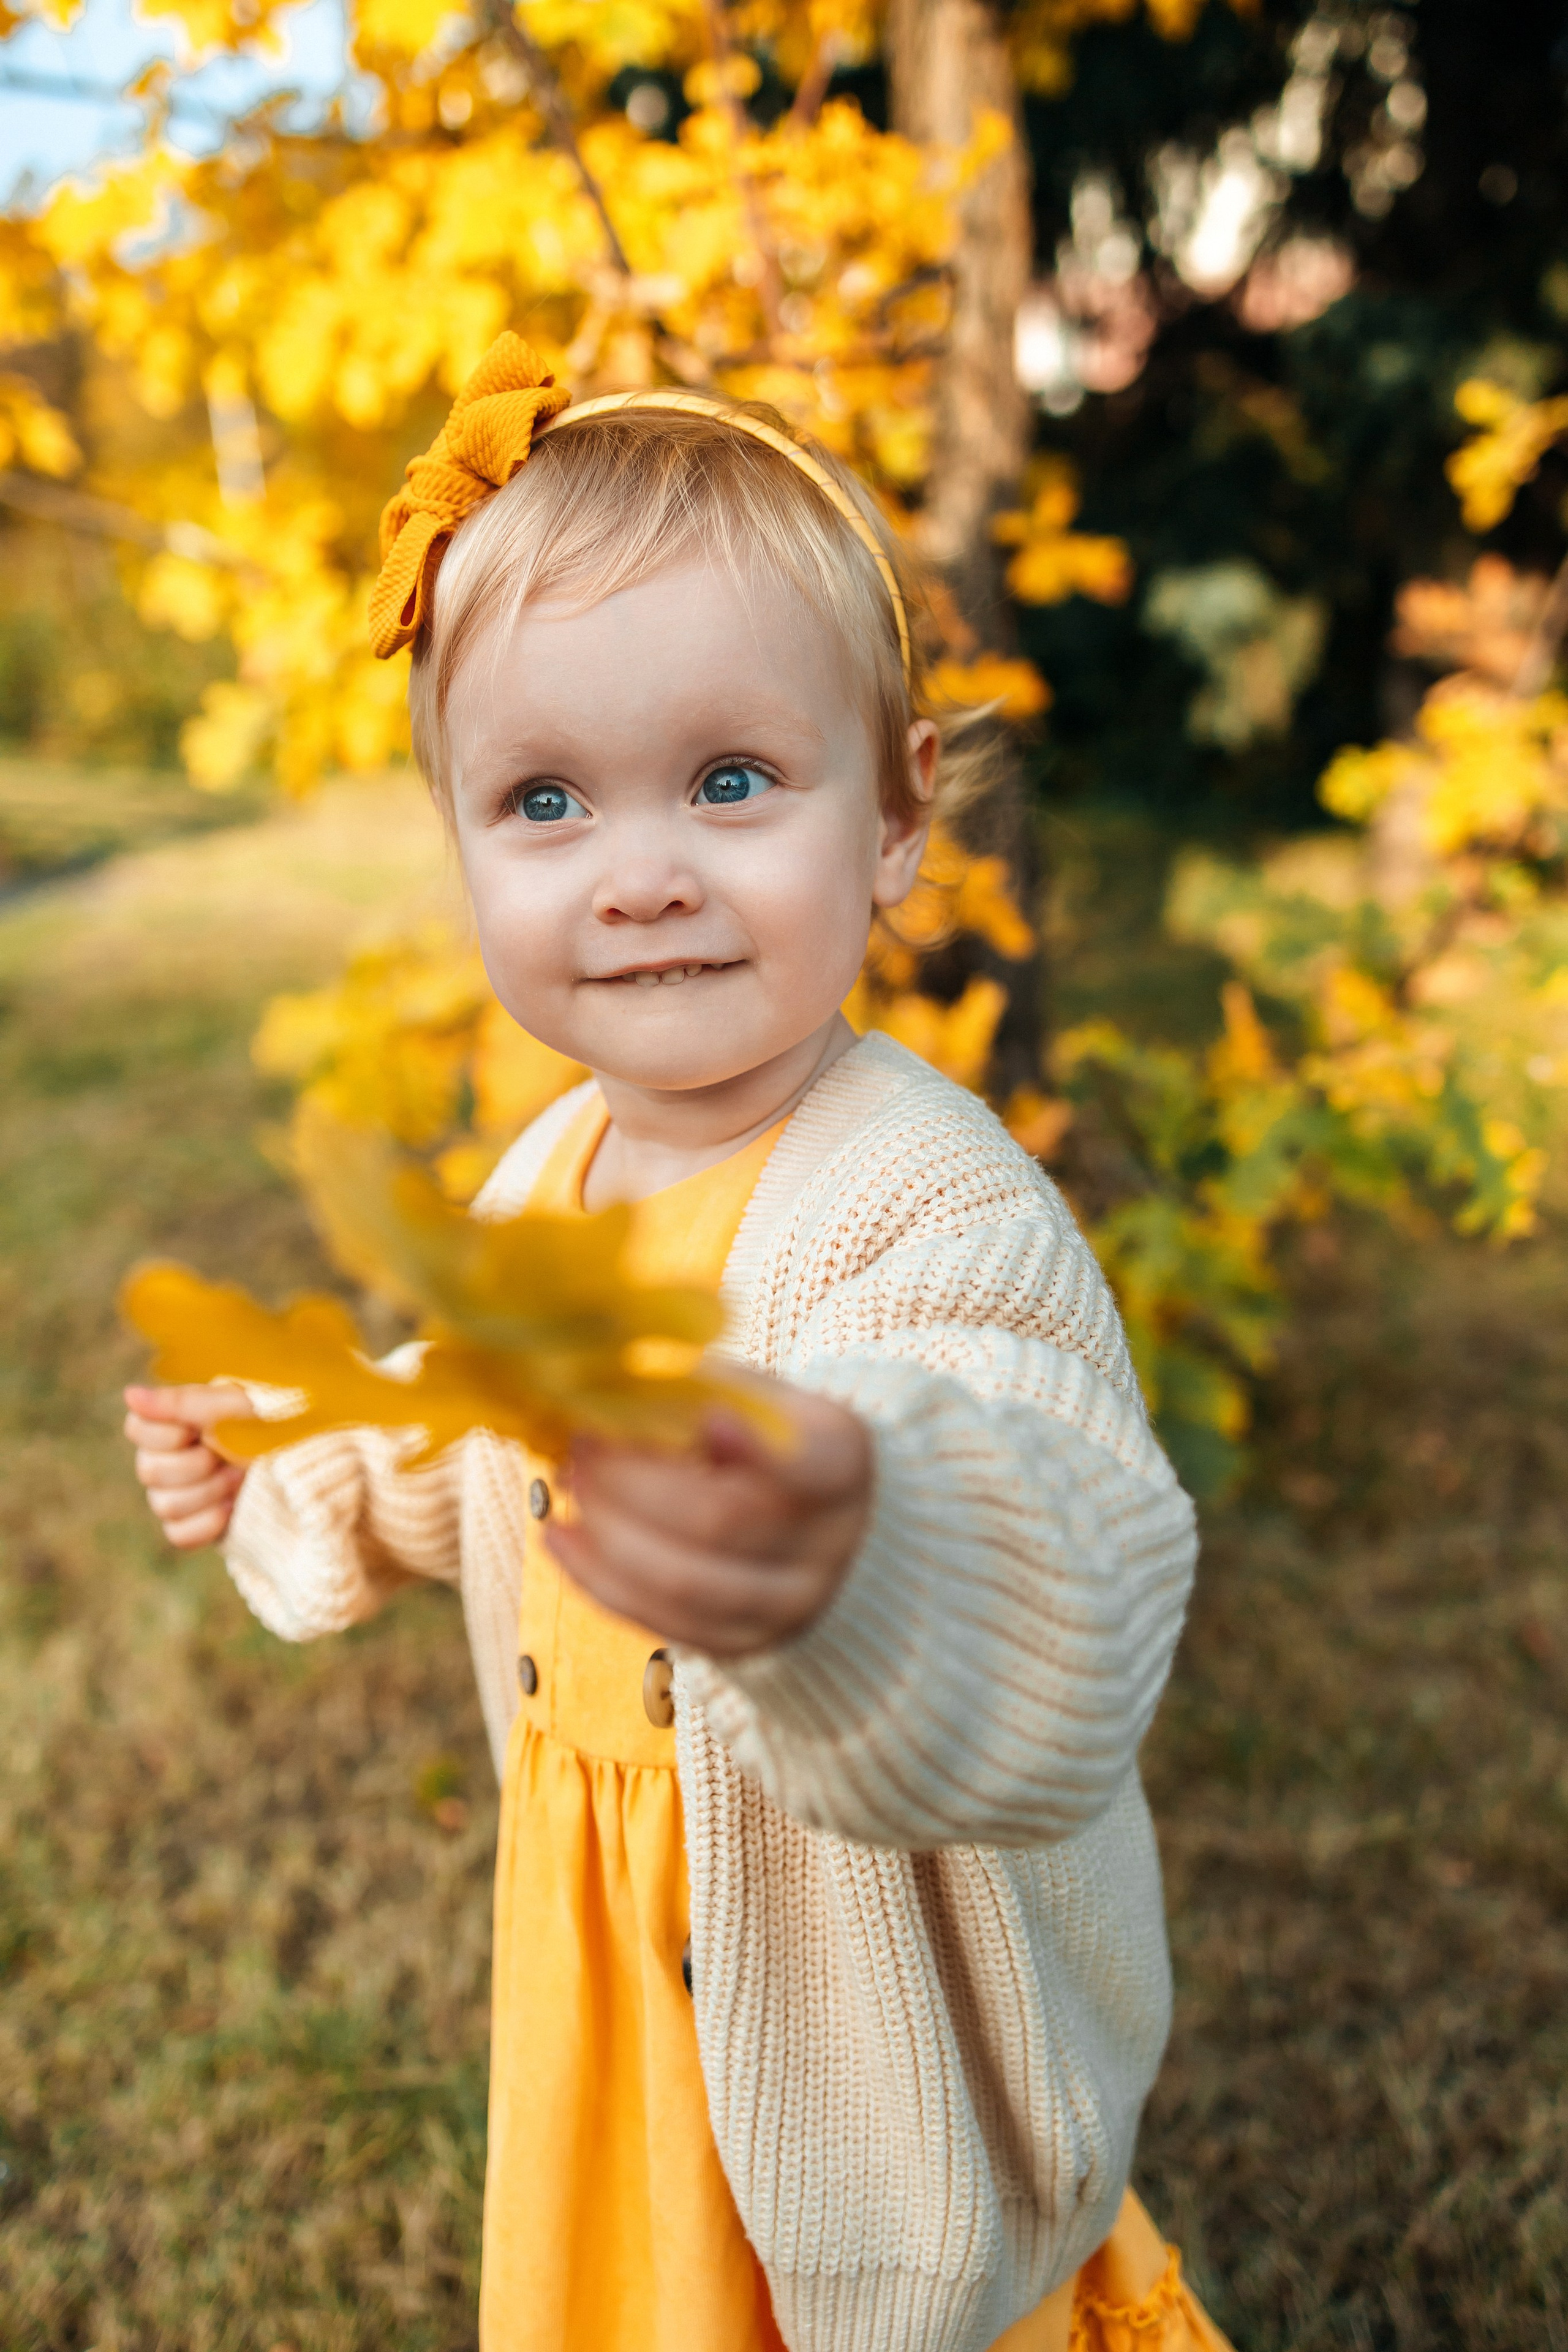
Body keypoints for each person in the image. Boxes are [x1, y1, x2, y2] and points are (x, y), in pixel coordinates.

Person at [124, 334, 1229, 2352]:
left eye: (731, 782)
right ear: (462, 846)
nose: (641, 876)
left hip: (863, 2035)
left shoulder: (926, 1196)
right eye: (544, 801)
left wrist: (860, 1542)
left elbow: (1074, 1547)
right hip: (618, 1971)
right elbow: (483, 1450)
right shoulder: (546, 1175)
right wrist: (303, 1452)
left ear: (893, 824)